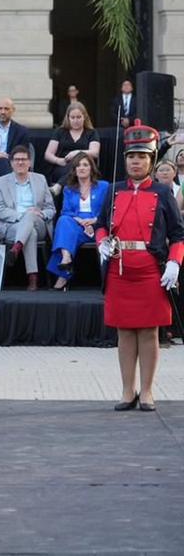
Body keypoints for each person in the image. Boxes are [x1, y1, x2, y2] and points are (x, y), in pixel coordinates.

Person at [96, 120, 184, 413]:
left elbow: (178, 235)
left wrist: (175, 262)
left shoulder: (162, 193)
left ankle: (146, 391)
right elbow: (101, 225)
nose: (136, 162)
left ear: (152, 160)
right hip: (119, 269)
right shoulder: (114, 189)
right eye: (131, 157)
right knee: (124, 332)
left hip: (150, 270)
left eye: (142, 157)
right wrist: (101, 241)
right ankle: (127, 390)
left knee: (148, 332)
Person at [0, 145, 55, 291]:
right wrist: (23, 215)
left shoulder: (40, 179)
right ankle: (33, 278)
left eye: (24, 159)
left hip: (38, 223)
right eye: (17, 159)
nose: (20, 162)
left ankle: (16, 248)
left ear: (30, 162)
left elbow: (51, 208)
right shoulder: (0, 182)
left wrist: (41, 214)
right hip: (11, 225)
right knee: (30, 232)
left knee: (31, 216)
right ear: (11, 163)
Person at [47, 153, 108, 291]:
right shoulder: (69, 189)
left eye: (85, 165)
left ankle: (63, 274)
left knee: (65, 235)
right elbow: (66, 211)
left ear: (91, 168)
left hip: (97, 226)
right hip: (77, 226)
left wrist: (94, 221)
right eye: (78, 166)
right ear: (74, 170)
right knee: (63, 221)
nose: (81, 168)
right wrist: (81, 221)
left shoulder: (104, 186)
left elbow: (108, 210)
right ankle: (66, 258)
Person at [44, 102, 100, 185]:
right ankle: (60, 185)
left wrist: (77, 153)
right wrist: (59, 161)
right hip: (62, 166)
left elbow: (95, 152)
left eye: (78, 117)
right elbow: (48, 154)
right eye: (72, 117)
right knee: (71, 168)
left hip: (84, 166)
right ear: (68, 118)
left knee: (77, 165)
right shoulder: (60, 132)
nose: (75, 121)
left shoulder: (92, 133)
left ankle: (59, 185)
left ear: (84, 117)